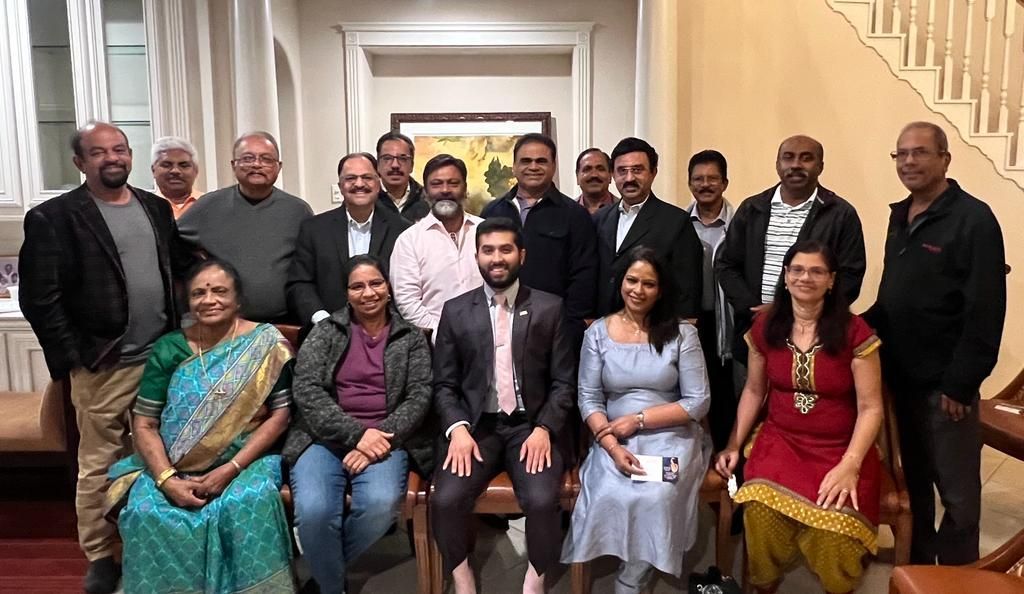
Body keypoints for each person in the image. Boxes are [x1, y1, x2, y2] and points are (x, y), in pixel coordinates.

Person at [19, 121, 193, 594]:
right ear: (80, 162)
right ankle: (100, 554)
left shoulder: (154, 208)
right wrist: (76, 360)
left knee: (154, 456)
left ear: (130, 155)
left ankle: (142, 542)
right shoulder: (54, 216)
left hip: (161, 359)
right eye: (98, 152)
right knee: (99, 461)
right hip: (103, 362)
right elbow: (39, 299)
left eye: (118, 149)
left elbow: (180, 266)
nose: (111, 158)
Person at [106, 259, 295, 593]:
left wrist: (231, 469)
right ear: (189, 303)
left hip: (246, 460)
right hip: (174, 464)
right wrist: (166, 480)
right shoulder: (170, 348)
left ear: (238, 300)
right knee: (145, 511)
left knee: (247, 503)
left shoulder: (266, 343)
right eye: (199, 293)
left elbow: (280, 416)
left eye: (220, 291)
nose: (209, 300)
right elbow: (146, 422)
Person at [864, 122, 1006, 565]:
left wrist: (961, 384)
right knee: (917, 482)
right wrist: (844, 328)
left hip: (946, 389)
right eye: (901, 153)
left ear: (945, 158)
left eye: (920, 153)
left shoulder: (973, 219)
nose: (909, 161)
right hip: (901, 378)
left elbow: (985, 309)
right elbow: (891, 299)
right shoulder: (899, 214)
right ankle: (921, 566)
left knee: (958, 493)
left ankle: (960, 575)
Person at [716, 240, 883, 594]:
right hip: (781, 441)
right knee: (760, 511)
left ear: (832, 280)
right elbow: (754, 391)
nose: (805, 277)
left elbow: (871, 407)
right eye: (798, 270)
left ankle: (837, 587)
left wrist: (850, 464)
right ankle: (765, 585)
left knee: (834, 527)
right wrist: (733, 443)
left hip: (840, 450)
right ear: (786, 276)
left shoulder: (855, 333)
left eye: (816, 271)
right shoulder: (766, 327)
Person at [430, 217, 575, 594]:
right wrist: (457, 429)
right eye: (488, 250)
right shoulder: (455, 311)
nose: (497, 258)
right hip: (475, 428)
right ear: (476, 256)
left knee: (543, 500)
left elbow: (564, 382)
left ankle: (536, 576)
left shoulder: (549, 308)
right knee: (445, 499)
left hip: (531, 426)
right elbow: (443, 385)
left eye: (505, 249)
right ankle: (462, 575)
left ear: (521, 255)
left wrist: (545, 429)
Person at [561, 247, 711, 593]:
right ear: (620, 282)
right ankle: (629, 558)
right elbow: (588, 398)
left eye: (649, 283)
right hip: (612, 436)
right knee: (609, 492)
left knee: (655, 495)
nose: (638, 290)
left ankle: (633, 574)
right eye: (632, 280)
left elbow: (698, 401)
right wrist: (612, 445)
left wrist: (639, 420)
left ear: (661, 289)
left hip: (672, 432)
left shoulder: (681, 334)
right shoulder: (598, 332)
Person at [284, 255, 434, 593]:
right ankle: (333, 587)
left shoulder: (411, 337)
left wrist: (375, 440)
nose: (368, 292)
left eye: (376, 283)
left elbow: (419, 397)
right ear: (346, 293)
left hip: (386, 440)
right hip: (322, 438)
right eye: (357, 286)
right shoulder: (326, 331)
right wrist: (357, 435)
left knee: (380, 507)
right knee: (314, 511)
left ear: (389, 288)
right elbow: (305, 390)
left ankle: (324, 576)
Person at [715, 135, 865, 375]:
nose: (796, 164)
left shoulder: (840, 214)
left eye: (806, 158)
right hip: (753, 331)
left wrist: (790, 310)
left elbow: (850, 275)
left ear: (820, 166)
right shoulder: (752, 209)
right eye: (788, 157)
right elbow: (727, 265)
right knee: (749, 402)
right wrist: (752, 309)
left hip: (816, 337)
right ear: (777, 164)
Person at [178, 131, 313, 323]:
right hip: (223, 326)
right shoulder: (208, 206)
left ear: (278, 167)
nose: (257, 164)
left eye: (266, 159)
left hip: (284, 323)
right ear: (234, 165)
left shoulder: (297, 211)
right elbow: (170, 242)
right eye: (248, 158)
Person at [480, 133, 598, 339]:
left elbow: (584, 273)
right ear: (514, 166)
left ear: (553, 166)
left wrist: (572, 324)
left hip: (555, 327)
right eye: (526, 161)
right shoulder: (492, 212)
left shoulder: (574, 214)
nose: (533, 167)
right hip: (497, 322)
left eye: (541, 161)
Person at [287, 152, 409, 329]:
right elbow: (299, 283)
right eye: (351, 178)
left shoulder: (402, 230)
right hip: (327, 333)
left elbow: (408, 286)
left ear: (378, 183)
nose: (359, 184)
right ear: (340, 185)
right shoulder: (314, 229)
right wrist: (323, 321)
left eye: (367, 177)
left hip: (387, 334)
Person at [593, 137, 703, 319]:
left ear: (653, 172)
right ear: (612, 175)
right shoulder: (599, 219)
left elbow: (687, 289)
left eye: (637, 170)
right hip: (606, 327)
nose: (629, 178)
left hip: (655, 328)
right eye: (622, 171)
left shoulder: (676, 221)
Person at [389, 154, 484, 336]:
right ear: (425, 192)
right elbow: (407, 301)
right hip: (434, 344)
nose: (445, 190)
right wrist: (443, 335)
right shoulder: (409, 240)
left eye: (453, 183)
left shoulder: (486, 231)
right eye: (437, 184)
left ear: (465, 189)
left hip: (489, 340)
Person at [685, 149, 737, 449]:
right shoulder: (678, 224)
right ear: (690, 183)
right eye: (698, 179)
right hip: (691, 321)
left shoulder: (741, 223)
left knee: (724, 395)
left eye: (712, 179)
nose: (705, 185)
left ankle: (724, 465)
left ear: (725, 182)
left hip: (729, 321)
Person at [375, 131, 430, 222]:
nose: (395, 165)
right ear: (378, 165)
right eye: (387, 158)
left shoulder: (427, 200)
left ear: (412, 165)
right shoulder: (368, 199)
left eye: (403, 159)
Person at [150, 136, 201, 218]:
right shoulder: (144, 208)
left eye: (184, 165)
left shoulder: (212, 204)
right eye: (166, 165)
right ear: (153, 170)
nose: (175, 171)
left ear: (196, 170)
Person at [575, 148, 615, 214]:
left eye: (601, 169)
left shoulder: (625, 211)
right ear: (577, 176)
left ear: (610, 175)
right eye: (587, 169)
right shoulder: (565, 212)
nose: (594, 175)